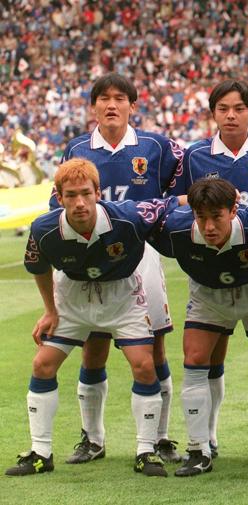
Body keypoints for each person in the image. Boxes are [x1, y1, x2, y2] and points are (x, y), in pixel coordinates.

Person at [6, 158, 181, 477]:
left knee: (143, 365)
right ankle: (41, 452)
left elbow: (171, 202)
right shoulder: (43, 228)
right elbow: (39, 267)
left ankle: (145, 450)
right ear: (58, 198)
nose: (79, 202)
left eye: (86, 193)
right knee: (42, 364)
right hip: (73, 296)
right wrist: (49, 310)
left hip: (122, 296)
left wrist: (217, 197)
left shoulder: (128, 216)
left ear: (98, 193)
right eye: (70, 195)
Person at [58, 73, 184, 464]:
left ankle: (159, 437)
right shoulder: (77, 149)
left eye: (119, 98)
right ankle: (92, 439)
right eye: (103, 98)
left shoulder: (157, 147)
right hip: (92, 257)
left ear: (133, 105)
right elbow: (56, 202)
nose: (111, 104)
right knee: (93, 349)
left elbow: (196, 167)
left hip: (141, 256)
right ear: (93, 106)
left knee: (155, 346)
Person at [148, 178, 248, 477]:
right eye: (201, 217)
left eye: (216, 217)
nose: (208, 227)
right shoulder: (174, 229)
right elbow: (147, 213)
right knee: (194, 360)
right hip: (209, 294)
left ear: (234, 209)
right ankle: (198, 449)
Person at [174, 79, 248, 460]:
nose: (231, 115)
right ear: (213, 113)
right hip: (208, 266)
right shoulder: (194, 157)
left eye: (239, 109)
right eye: (223, 108)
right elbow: (173, 201)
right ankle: (203, 442)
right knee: (203, 359)